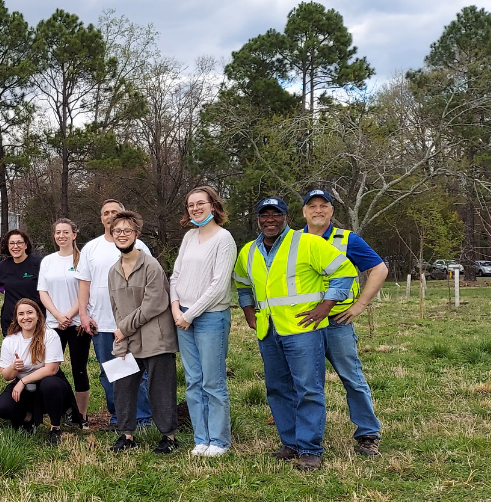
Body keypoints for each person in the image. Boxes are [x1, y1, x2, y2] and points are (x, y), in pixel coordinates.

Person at [233, 196, 358, 471]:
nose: (270, 220)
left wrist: (326, 306)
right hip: (269, 330)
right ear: (257, 219)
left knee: (308, 389)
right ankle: (290, 443)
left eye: (275, 214)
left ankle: (310, 449)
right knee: (277, 389)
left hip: (303, 329)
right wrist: (248, 312)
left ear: (286, 217)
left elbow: (345, 272)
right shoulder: (248, 252)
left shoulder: (308, 243)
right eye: (264, 215)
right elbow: (242, 284)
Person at [300, 189, 388, 456]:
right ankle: (304, 437)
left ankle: (368, 433)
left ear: (331, 211)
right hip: (304, 323)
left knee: (352, 377)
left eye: (323, 206)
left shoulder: (346, 239)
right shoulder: (293, 241)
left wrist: (360, 305)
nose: (318, 210)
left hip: (337, 321)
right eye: (312, 206)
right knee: (304, 382)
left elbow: (379, 268)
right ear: (304, 212)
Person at [169, 186, 237, 457]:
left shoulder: (224, 239)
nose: (195, 208)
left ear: (213, 205)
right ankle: (201, 438)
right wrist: (176, 308)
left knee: (213, 382)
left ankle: (219, 441)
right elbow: (175, 276)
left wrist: (189, 314)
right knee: (193, 380)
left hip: (210, 318)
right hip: (183, 317)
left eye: (201, 203)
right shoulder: (189, 236)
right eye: (190, 205)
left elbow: (220, 286)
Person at [107, 211, 180, 455]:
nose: (122, 234)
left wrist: (123, 329)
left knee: (160, 388)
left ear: (136, 234)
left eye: (127, 230)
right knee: (123, 386)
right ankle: (126, 435)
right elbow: (116, 308)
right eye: (117, 231)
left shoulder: (151, 265)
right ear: (111, 234)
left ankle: (168, 436)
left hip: (156, 338)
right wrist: (122, 338)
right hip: (127, 340)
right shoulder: (113, 271)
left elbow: (154, 305)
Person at [75, 199, 152, 429]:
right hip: (102, 323)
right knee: (110, 372)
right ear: (101, 219)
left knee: (135, 370)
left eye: (115, 212)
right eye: (106, 212)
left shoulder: (139, 246)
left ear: (124, 216)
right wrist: (83, 315)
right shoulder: (91, 248)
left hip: (133, 322)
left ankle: (142, 417)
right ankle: (118, 417)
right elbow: (84, 284)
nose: (110, 215)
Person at [0, 299, 76, 445]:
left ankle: (55, 427)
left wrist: (22, 381)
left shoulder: (50, 335)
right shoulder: (10, 340)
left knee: (50, 384)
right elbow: (6, 376)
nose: (26, 317)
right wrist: (13, 367)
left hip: (50, 382)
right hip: (25, 388)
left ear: (38, 315)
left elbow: (51, 369)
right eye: (21, 314)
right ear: (16, 318)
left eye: (29, 312)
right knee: (2, 407)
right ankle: (28, 417)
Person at [38, 218, 90, 429]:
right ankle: (61, 409)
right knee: (50, 368)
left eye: (66, 232)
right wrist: (58, 315)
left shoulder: (82, 260)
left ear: (74, 235)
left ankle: (81, 416)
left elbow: (85, 291)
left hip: (77, 323)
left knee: (79, 369)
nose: (61, 236)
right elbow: (43, 291)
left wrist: (69, 315)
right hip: (53, 324)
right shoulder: (48, 261)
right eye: (58, 232)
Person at [0, 229, 43, 336]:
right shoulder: (3, 266)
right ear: (7, 246)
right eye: (12, 243)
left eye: (19, 242)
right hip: (10, 321)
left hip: (34, 321)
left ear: (25, 245)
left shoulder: (38, 264)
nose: (15, 246)